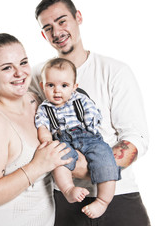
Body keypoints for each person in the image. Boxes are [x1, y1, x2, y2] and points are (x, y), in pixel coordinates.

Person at [0, 0, 150, 226]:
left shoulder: (114, 71)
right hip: (62, 198)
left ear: (78, 17)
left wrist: (93, 167)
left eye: (61, 21)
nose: (57, 32)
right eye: (48, 28)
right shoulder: (36, 75)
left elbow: (136, 138)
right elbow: (10, 110)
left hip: (117, 194)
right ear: (42, 34)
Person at [0, 31, 72, 226]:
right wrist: (37, 166)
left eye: (23, 62)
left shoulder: (36, 101)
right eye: (7, 68)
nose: (20, 73)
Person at [35, 57, 121, 219]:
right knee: (60, 160)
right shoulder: (44, 109)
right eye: (50, 85)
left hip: (88, 136)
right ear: (42, 86)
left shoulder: (80, 99)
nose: (57, 90)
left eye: (64, 86)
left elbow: (93, 113)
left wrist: (91, 123)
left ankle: (102, 201)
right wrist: (47, 142)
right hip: (63, 139)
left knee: (105, 157)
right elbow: (43, 128)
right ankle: (68, 189)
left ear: (75, 87)